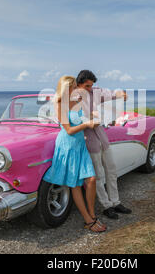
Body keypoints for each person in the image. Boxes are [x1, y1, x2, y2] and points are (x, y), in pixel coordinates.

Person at [43, 76, 106, 232]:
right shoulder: (59, 104)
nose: (75, 90)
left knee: (91, 179)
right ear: (65, 89)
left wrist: (93, 118)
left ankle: (92, 215)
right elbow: (69, 130)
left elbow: (82, 119)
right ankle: (88, 220)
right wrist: (86, 124)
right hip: (67, 146)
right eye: (71, 87)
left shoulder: (77, 100)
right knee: (75, 185)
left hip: (80, 145)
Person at [76, 70, 132, 220]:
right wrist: (88, 119)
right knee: (99, 175)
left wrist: (122, 94)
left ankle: (116, 202)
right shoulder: (74, 98)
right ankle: (106, 206)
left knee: (112, 170)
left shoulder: (95, 92)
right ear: (79, 84)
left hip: (102, 138)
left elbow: (113, 94)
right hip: (90, 141)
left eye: (91, 85)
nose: (90, 89)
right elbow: (72, 120)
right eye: (87, 86)